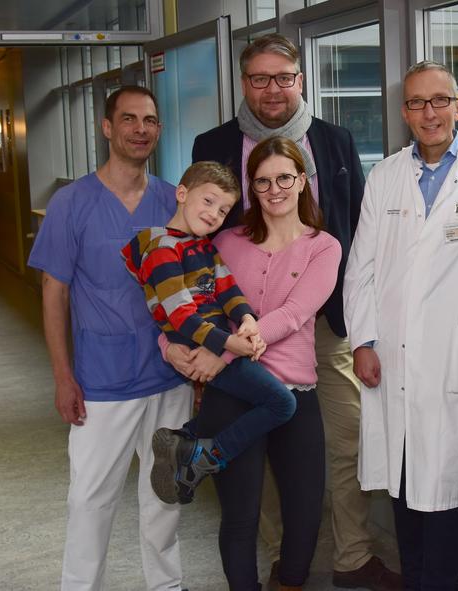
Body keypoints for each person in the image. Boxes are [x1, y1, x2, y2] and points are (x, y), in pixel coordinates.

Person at [192, 32, 400, 590]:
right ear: (244, 84)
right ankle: (282, 552)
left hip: (323, 324)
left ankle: (352, 556)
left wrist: (364, 327)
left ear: (300, 80)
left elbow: (356, 233)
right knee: (255, 456)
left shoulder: (333, 140)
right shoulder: (211, 143)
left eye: (283, 77)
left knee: (346, 440)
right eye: (259, 78)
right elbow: (202, 244)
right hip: (239, 332)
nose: (273, 89)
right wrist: (212, 338)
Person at [27, 86, 193, 591]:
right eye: (128, 119)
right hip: (102, 381)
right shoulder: (71, 203)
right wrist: (63, 376)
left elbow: (195, 287)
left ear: (158, 129)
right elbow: (53, 293)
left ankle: (166, 585)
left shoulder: (173, 200)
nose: (140, 129)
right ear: (107, 127)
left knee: (165, 494)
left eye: (149, 120)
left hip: (169, 377)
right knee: (90, 500)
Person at [343, 60, 458, 591]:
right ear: (404, 111)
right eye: (415, 102)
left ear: (457, 106)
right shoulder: (385, 175)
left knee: (443, 495)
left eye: (439, 101)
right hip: (386, 353)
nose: (428, 112)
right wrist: (362, 341)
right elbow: (359, 269)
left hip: (446, 354)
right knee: (402, 487)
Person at [166, 137, 341, 590]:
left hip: (295, 392)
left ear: (302, 181)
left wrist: (220, 351)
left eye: (285, 177)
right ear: (251, 189)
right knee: (239, 517)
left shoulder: (324, 247)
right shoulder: (224, 240)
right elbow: (176, 296)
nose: (275, 189)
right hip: (232, 394)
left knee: (304, 513)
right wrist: (168, 349)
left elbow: (294, 314)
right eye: (262, 182)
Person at [122, 161, 296, 505]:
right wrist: (230, 344)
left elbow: (229, 291)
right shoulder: (161, 248)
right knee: (282, 403)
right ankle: (206, 457)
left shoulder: (203, 246)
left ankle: (185, 437)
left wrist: (247, 320)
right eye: (208, 201)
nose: (215, 214)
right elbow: (180, 315)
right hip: (195, 343)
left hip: (217, 340)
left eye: (223, 209)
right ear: (182, 194)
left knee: (242, 404)